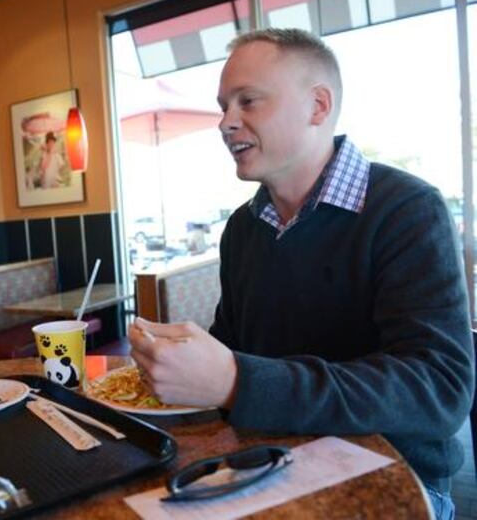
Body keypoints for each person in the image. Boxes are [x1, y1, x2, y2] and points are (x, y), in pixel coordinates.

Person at [129, 28, 472, 520]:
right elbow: (233, 349)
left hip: (396, 474)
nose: (227, 123)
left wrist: (236, 382)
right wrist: (178, 366)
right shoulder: (243, 229)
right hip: (266, 463)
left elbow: (438, 390)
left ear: (317, 106)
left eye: (248, 101)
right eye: (224, 106)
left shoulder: (406, 209)